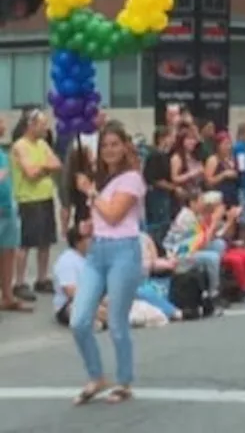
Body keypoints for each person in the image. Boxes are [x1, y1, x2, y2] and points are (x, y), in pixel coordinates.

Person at [70, 121, 147, 405]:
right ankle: (96, 375)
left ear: (125, 146)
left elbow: (115, 214)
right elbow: (103, 216)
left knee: (116, 322)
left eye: (115, 144)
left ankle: (124, 381)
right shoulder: (100, 180)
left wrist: (91, 193)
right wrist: (88, 225)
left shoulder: (133, 179)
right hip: (97, 251)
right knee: (79, 320)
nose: (110, 150)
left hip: (124, 251)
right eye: (105, 145)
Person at [10, 110, 62, 303]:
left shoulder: (42, 144)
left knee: (45, 242)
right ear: (31, 125)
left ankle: (41, 278)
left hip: (45, 197)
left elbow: (57, 164)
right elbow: (30, 173)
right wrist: (45, 168)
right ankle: (20, 282)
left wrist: (41, 168)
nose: (45, 128)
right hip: (28, 199)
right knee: (25, 243)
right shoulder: (20, 146)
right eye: (42, 124)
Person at [0, 114, 31, 313]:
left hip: (8, 210)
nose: (3, 125)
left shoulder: (3, 153)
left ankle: (7, 296)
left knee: (8, 252)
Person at [53, 226, 98, 327]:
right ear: (78, 242)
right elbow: (70, 291)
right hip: (69, 304)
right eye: (89, 238)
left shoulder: (92, 257)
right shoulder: (67, 261)